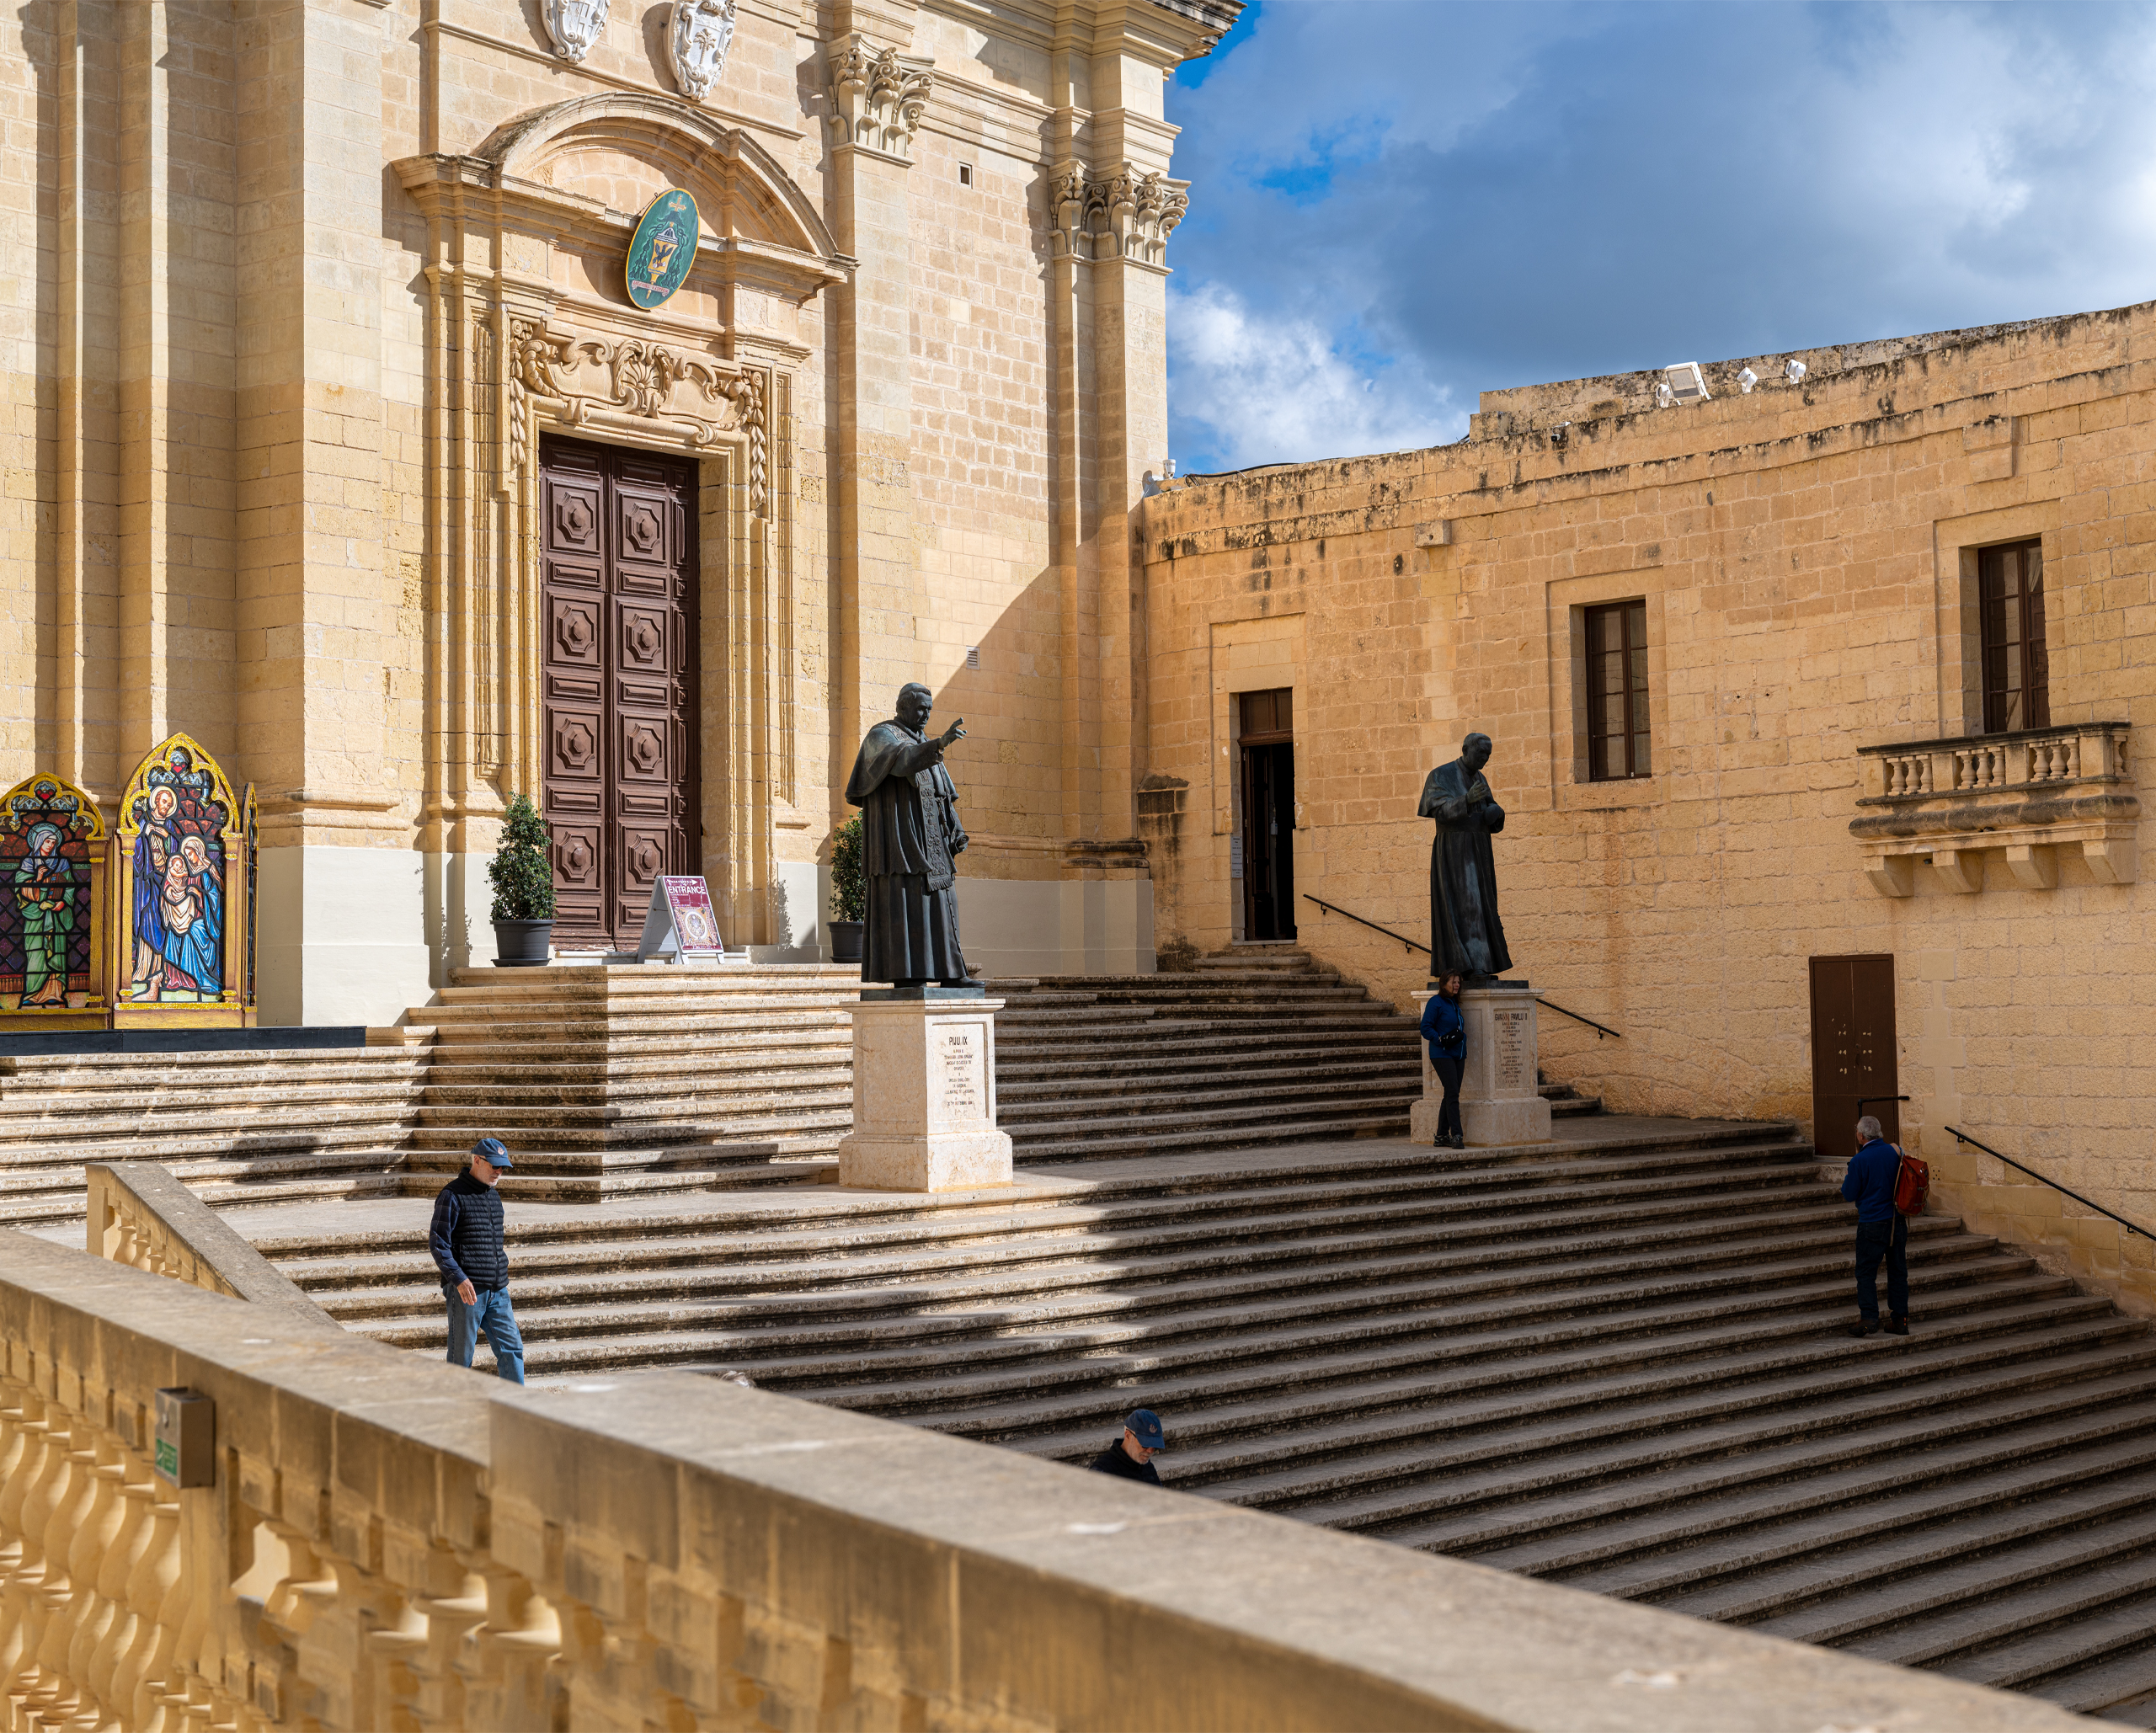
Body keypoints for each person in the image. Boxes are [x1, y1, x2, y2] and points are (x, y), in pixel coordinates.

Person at [844, 683, 974, 987]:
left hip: (934, 845)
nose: (926, 714)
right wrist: (940, 743)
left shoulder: (924, 740)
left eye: (929, 709)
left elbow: (942, 793)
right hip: (901, 844)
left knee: (944, 903)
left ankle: (951, 974)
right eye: (920, 708)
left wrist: (955, 827)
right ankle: (908, 976)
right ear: (902, 707)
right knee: (909, 905)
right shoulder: (881, 735)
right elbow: (903, 762)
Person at [429, 1137, 527, 1383]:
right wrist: (459, 1280)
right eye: (494, 1165)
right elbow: (438, 1243)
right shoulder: (452, 1195)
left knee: (512, 1350)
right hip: (466, 1292)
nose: (498, 1171)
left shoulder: (494, 1197)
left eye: (502, 1167)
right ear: (476, 1160)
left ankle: (518, 1410)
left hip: (498, 1291)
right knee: (461, 1360)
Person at [1417, 732, 1513, 981]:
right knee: (1467, 904)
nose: (1485, 759)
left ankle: (1483, 962)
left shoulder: (1479, 777)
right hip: (1455, 849)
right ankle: (1471, 964)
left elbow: (1487, 808)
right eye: (1481, 753)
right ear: (1465, 749)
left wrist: (1495, 812)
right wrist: (1466, 801)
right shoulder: (1441, 775)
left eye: (1488, 755)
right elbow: (1438, 810)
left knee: (1483, 904)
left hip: (1479, 848)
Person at [1842, 1115, 1910, 1337]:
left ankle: (1869, 1318)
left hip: (1872, 1223)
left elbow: (1849, 1194)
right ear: (1879, 1133)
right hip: (1897, 1222)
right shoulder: (1894, 1152)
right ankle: (1900, 1320)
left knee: (1865, 1272)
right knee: (1898, 1272)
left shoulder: (1859, 1160)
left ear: (1861, 1135)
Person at [14, 824, 74, 1008]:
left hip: (56, 916)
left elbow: (70, 886)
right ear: (39, 842)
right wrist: (38, 880)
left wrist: (63, 903)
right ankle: (32, 994)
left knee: (57, 952)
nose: (50, 845)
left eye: (53, 842)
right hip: (35, 914)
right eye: (47, 841)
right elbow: (20, 888)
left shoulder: (62, 863)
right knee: (36, 952)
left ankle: (54, 993)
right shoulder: (28, 863)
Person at [1420, 973, 1466, 1148]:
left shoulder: (1454, 1003)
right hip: (1442, 1054)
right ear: (1443, 983)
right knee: (1453, 1092)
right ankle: (1456, 1135)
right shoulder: (1436, 1002)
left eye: (1458, 982)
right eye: (1453, 982)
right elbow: (1425, 1027)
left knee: (1450, 1093)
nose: (1457, 985)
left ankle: (1441, 1135)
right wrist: (1438, 1039)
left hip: (1458, 1054)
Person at [1088, 1408, 1167, 1484]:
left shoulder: (1148, 1467)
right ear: (1128, 1435)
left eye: (1155, 1446)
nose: (1150, 1451)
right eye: (1145, 1444)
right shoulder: (1102, 1471)